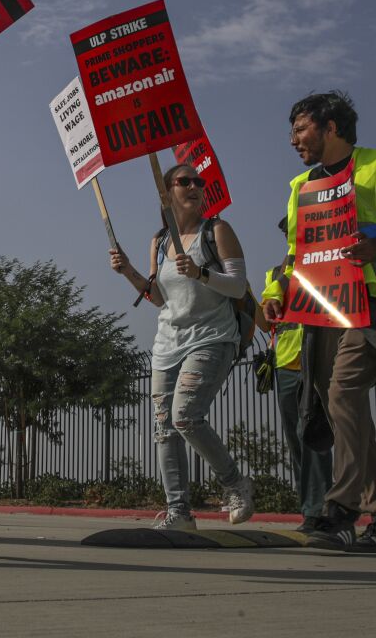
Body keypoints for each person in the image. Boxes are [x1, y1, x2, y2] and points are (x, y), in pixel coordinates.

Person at [262, 91, 376, 553]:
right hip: (320, 310)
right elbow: (295, 255)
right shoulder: (300, 187)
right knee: (344, 412)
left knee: (343, 395)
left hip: (371, 304)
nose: (294, 140)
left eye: (300, 129)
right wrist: (278, 296)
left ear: (330, 127)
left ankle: (339, 510)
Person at [109, 163, 254, 530]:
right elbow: (158, 297)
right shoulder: (159, 241)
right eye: (184, 181)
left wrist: (201, 272)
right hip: (167, 345)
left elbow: (238, 287)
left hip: (211, 338)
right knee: (164, 429)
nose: (195, 186)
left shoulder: (217, 231)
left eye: (198, 181)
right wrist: (128, 271)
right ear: (166, 193)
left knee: (185, 415)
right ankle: (179, 513)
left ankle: (235, 484)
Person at [256, 237, 332, 534]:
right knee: (297, 441)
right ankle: (310, 509)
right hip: (286, 364)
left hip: (319, 359)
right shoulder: (275, 275)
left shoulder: (327, 265)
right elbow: (267, 322)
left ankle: (320, 509)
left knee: (312, 434)